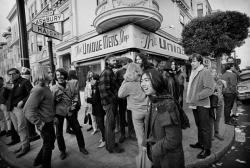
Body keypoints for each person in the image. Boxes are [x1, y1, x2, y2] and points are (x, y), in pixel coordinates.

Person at [140, 68, 184, 168]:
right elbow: (148, 125)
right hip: (158, 157)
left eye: (147, 80)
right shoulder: (152, 99)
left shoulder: (165, 105)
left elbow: (173, 139)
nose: (142, 84)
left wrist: (154, 150)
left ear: (157, 81)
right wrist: (144, 144)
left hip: (168, 160)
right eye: (141, 81)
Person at [51, 68, 88, 160]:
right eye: (58, 75)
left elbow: (75, 95)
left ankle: (82, 147)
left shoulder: (71, 84)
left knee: (77, 129)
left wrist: (74, 105)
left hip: (70, 111)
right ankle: (62, 151)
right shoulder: (53, 88)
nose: (60, 77)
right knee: (59, 133)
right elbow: (50, 103)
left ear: (65, 75)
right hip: (58, 113)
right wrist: (54, 115)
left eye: (61, 74)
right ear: (56, 77)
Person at [23, 66, 55, 168]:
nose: (52, 73)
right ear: (43, 74)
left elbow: (46, 105)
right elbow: (27, 110)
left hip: (49, 121)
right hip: (45, 123)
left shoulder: (46, 87)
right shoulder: (38, 89)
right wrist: (40, 123)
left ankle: (37, 161)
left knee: (49, 143)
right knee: (48, 145)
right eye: (49, 72)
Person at [186, 53, 214, 159]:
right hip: (194, 104)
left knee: (205, 127)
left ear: (199, 62)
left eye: (194, 61)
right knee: (199, 125)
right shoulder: (193, 71)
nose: (192, 63)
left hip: (202, 104)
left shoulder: (205, 72)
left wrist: (197, 96)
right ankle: (201, 143)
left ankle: (207, 149)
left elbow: (210, 89)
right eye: (191, 61)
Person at [118, 63, 148, 153]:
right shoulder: (143, 81)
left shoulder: (128, 84)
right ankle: (151, 155)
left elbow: (120, 94)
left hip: (136, 113)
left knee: (140, 136)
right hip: (147, 110)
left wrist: (124, 81)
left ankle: (144, 157)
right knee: (149, 134)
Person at [98, 55, 124, 153]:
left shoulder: (109, 72)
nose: (115, 62)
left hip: (110, 102)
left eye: (115, 60)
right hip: (109, 103)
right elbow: (104, 90)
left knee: (110, 124)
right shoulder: (107, 72)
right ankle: (111, 147)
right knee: (110, 125)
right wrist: (114, 99)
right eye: (113, 60)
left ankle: (110, 144)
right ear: (107, 61)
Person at [5, 68, 31, 158]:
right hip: (11, 108)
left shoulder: (25, 81)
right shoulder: (10, 83)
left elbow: (31, 93)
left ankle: (25, 146)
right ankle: (24, 143)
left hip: (19, 108)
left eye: (13, 74)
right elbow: (5, 97)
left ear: (18, 73)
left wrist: (23, 101)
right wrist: (6, 88)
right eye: (9, 74)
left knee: (21, 127)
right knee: (16, 128)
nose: (11, 76)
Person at [87, 73, 106, 148]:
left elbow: (95, 100)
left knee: (101, 125)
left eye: (92, 79)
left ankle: (105, 140)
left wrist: (87, 99)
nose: (91, 80)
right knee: (100, 125)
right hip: (97, 109)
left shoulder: (97, 87)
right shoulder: (95, 86)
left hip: (99, 109)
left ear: (95, 80)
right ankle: (103, 138)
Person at [66, 70, 81, 135]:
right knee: (75, 114)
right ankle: (74, 127)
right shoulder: (76, 81)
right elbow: (77, 92)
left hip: (69, 100)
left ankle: (68, 128)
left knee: (70, 115)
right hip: (75, 99)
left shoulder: (67, 82)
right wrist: (78, 102)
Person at [211, 68, 224, 141]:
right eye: (213, 72)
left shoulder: (219, 81)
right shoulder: (209, 82)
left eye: (216, 72)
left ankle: (216, 133)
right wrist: (213, 92)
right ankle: (211, 135)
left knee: (218, 119)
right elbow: (207, 92)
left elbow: (222, 90)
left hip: (220, 102)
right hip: (212, 103)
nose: (215, 73)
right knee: (211, 119)